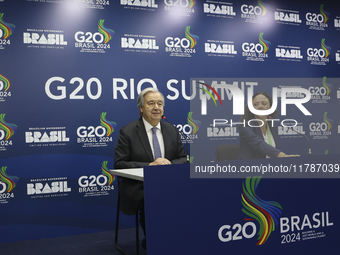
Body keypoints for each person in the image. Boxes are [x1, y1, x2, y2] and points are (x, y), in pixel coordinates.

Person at [114, 87, 187, 249]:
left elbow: (183, 159)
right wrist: (150, 166)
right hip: (140, 186)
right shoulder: (128, 131)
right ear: (141, 108)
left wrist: (168, 164)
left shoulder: (172, 130)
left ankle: (180, 237)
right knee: (152, 200)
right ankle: (156, 240)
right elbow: (120, 163)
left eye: (160, 104)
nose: (156, 107)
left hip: (170, 182)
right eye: (151, 103)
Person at [238, 91, 299, 160]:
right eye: (255, 104)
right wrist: (282, 155)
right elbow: (259, 144)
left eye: (264, 103)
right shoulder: (246, 126)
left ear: (270, 107)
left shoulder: (273, 125)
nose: (260, 106)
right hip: (249, 167)